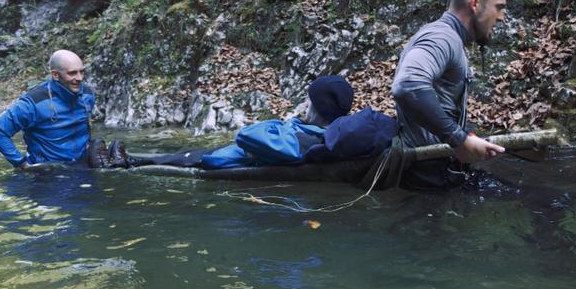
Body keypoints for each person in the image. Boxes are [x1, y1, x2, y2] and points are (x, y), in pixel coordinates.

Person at [390, 0, 507, 190]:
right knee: (549, 201)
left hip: (437, 169)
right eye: (499, 7)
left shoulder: (449, 38)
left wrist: (466, 134)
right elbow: (408, 86)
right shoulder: (442, 37)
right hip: (427, 172)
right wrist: (459, 139)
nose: (502, 17)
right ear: (475, 3)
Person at [129, 75, 397, 169]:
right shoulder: (326, 134)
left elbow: (245, 135)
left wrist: (279, 125)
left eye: (309, 102)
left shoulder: (305, 139)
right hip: (231, 154)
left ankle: (127, 161)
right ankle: (132, 158)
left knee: (174, 158)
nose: (304, 106)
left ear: (320, 109)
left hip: (218, 160)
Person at [0, 49, 125, 169]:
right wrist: (22, 164)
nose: (80, 78)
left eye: (82, 72)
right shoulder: (32, 103)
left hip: (83, 168)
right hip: (49, 174)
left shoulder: (87, 95)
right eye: (72, 73)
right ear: (55, 75)